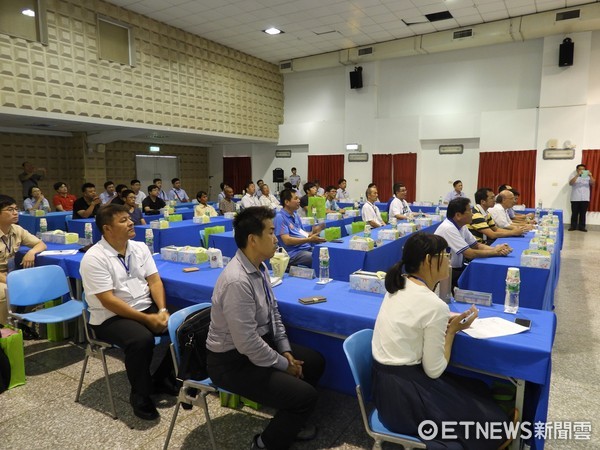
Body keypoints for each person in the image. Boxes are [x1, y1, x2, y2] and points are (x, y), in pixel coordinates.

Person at [372, 232, 511, 450]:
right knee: (492, 424)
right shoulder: (433, 304)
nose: (449, 260)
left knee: (474, 390)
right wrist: (452, 331)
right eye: (445, 255)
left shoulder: (399, 285)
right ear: (429, 260)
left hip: (383, 390)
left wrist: (443, 319)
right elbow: (434, 370)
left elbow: (414, 317)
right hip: (405, 399)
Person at [206, 207, 325, 450]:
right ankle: (264, 444)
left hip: (255, 346)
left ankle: (291, 420)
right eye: (271, 232)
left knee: (314, 361)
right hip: (230, 361)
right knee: (305, 397)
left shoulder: (259, 267)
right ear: (252, 240)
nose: (276, 238)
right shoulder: (237, 281)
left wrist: (286, 351)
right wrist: (284, 365)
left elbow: (274, 314)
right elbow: (246, 342)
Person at [79, 204, 176, 420]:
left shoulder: (140, 247)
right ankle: (140, 395)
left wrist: (161, 310)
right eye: (123, 220)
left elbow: (154, 280)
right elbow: (108, 300)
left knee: (183, 326)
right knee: (141, 339)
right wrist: (147, 319)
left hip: (144, 307)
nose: (131, 222)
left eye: (129, 218)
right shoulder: (94, 257)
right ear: (107, 228)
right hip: (109, 317)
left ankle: (163, 378)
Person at [435, 198, 512, 289]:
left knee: (482, 272)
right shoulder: (448, 228)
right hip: (444, 271)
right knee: (481, 279)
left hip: (457, 267)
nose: (472, 214)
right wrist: (495, 252)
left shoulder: (461, 226)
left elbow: (477, 245)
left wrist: (497, 248)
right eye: (469, 211)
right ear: (458, 215)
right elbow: (470, 253)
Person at [0, 195, 47, 317]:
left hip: (10, 274)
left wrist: (31, 252)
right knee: (6, 292)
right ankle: (4, 329)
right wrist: (11, 281)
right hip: (2, 277)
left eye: (16, 209)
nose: (16, 213)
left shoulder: (17, 229)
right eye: (10, 210)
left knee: (41, 286)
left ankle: (21, 321)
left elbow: (41, 244)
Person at [274, 189, 325, 267]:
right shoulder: (280, 217)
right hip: (293, 253)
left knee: (326, 254)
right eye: (296, 198)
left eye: (298, 198)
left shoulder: (295, 215)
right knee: (319, 259)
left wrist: (312, 232)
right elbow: (287, 241)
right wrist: (309, 239)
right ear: (287, 202)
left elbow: (302, 234)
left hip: (305, 248)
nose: (299, 200)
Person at [569, 163, 595, 232]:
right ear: (577, 170)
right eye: (580, 169)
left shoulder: (587, 176)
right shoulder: (573, 175)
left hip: (585, 198)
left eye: (583, 169)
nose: (582, 171)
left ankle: (582, 227)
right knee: (574, 213)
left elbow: (593, 183)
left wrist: (591, 176)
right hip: (575, 198)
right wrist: (577, 175)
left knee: (583, 214)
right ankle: (573, 226)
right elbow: (571, 183)